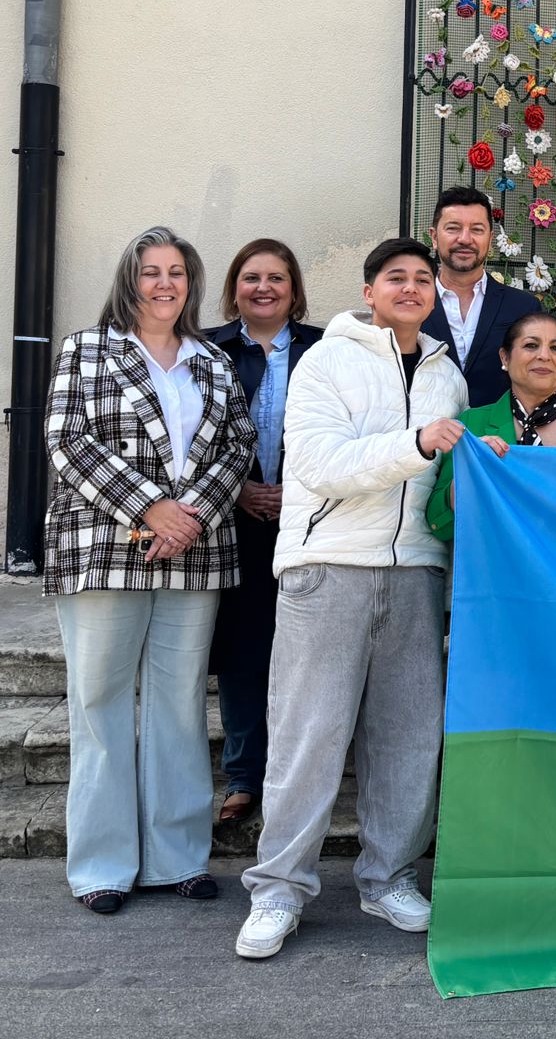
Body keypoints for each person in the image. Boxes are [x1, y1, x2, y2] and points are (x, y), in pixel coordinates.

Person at [236, 237, 472, 960]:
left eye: (422, 279)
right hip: (328, 566)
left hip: (415, 574)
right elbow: (318, 463)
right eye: (395, 278)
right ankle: (278, 889)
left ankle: (389, 878)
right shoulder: (326, 361)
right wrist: (418, 442)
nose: (410, 288)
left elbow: (453, 481)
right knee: (309, 737)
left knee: (407, 740)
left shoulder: (445, 374)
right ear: (369, 292)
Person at [44, 226, 256, 915]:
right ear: (129, 280)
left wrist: (186, 516)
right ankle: (102, 865)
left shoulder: (211, 361)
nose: (164, 284)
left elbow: (237, 446)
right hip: (105, 549)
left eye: (177, 272)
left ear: (191, 283)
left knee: (178, 705)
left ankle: (177, 857)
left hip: (193, 553)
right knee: (101, 705)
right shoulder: (90, 348)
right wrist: (149, 509)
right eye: (150, 272)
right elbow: (67, 441)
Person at [205, 239, 324, 826]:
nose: (264, 288)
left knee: (304, 653)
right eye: (251, 278)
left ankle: (297, 773)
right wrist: (238, 491)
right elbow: (190, 441)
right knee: (243, 651)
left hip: (310, 521)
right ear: (234, 289)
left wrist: (297, 494)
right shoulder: (207, 350)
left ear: (294, 291)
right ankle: (244, 776)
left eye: (277, 278)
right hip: (235, 522)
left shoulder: (326, 350)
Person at [428, 311, 556, 536]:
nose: (544, 356)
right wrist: (469, 478)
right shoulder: (472, 424)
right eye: (531, 345)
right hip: (500, 567)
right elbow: (437, 524)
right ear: (505, 358)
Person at [419, 185, 543, 408]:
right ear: (434, 237)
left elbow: (541, 381)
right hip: (424, 437)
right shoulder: (411, 305)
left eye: (477, 229)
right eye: (453, 228)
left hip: (501, 439)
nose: (465, 239)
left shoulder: (524, 308)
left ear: (490, 238)